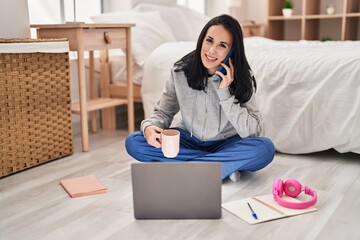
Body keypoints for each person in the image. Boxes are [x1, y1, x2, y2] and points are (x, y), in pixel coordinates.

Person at [125, 14, 275, 182]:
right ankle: (220, 167)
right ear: (201, 40)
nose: (211, 50)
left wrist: (225, 93)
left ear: (232, 50)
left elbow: (253, 132)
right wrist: (149, 127)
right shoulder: (180, 71)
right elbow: (163, 113)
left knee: (265, 148)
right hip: (188, 140)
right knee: (134, 142)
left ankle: (190, 167)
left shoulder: (242, 76)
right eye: (209, 41)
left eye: (222, 45)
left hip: (227, 143)